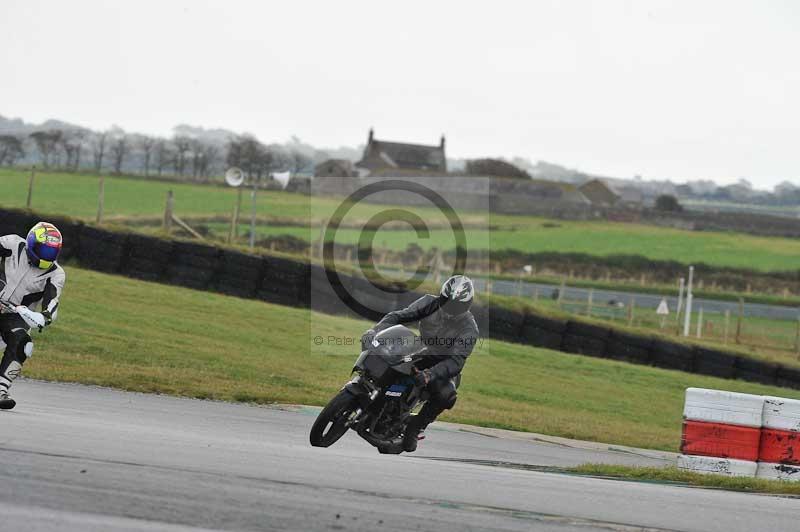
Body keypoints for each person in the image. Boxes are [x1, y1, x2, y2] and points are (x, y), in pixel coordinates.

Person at [361, 275, 479, 452]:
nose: (449, 307)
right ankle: (373, 393)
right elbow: (399, 316)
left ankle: (416, 426)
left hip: (443, 363)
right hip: (421, 349)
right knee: (390, 356)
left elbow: (456, 360)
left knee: (447, 395)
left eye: (456, 305)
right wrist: (374, 331)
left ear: (466, 305)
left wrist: (429, 375)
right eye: (446, 301)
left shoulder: (469, 328)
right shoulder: (429, 303)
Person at [0, 222, 66, 410]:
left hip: (15, 314)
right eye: (43, 249)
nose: (47, 256)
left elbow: (52, 305)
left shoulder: (56, 274)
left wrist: (42, 317)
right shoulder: (13, 244)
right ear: (30, 242)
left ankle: (1, 389)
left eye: (51, 252)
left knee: (24, 343)